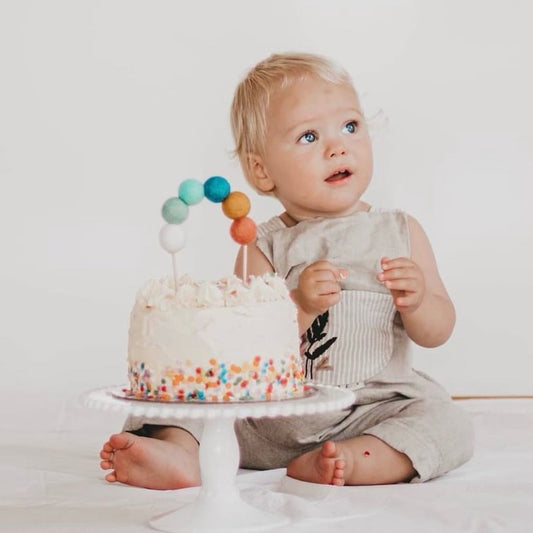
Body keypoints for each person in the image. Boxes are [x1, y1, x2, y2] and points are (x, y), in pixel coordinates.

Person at [99, 52, 473, 488]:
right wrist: (300, 304)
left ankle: (355, 458)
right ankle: (180, 451)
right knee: (183, 397)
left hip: (369, 410)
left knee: (447, 420)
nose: (338, 146)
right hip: (269, 418)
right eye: (309, 136)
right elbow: (243, 344)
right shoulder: (263, 243)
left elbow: (437, 330)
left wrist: (419, 300)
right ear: (261, 171)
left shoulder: (400, 231)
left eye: (350, 127)